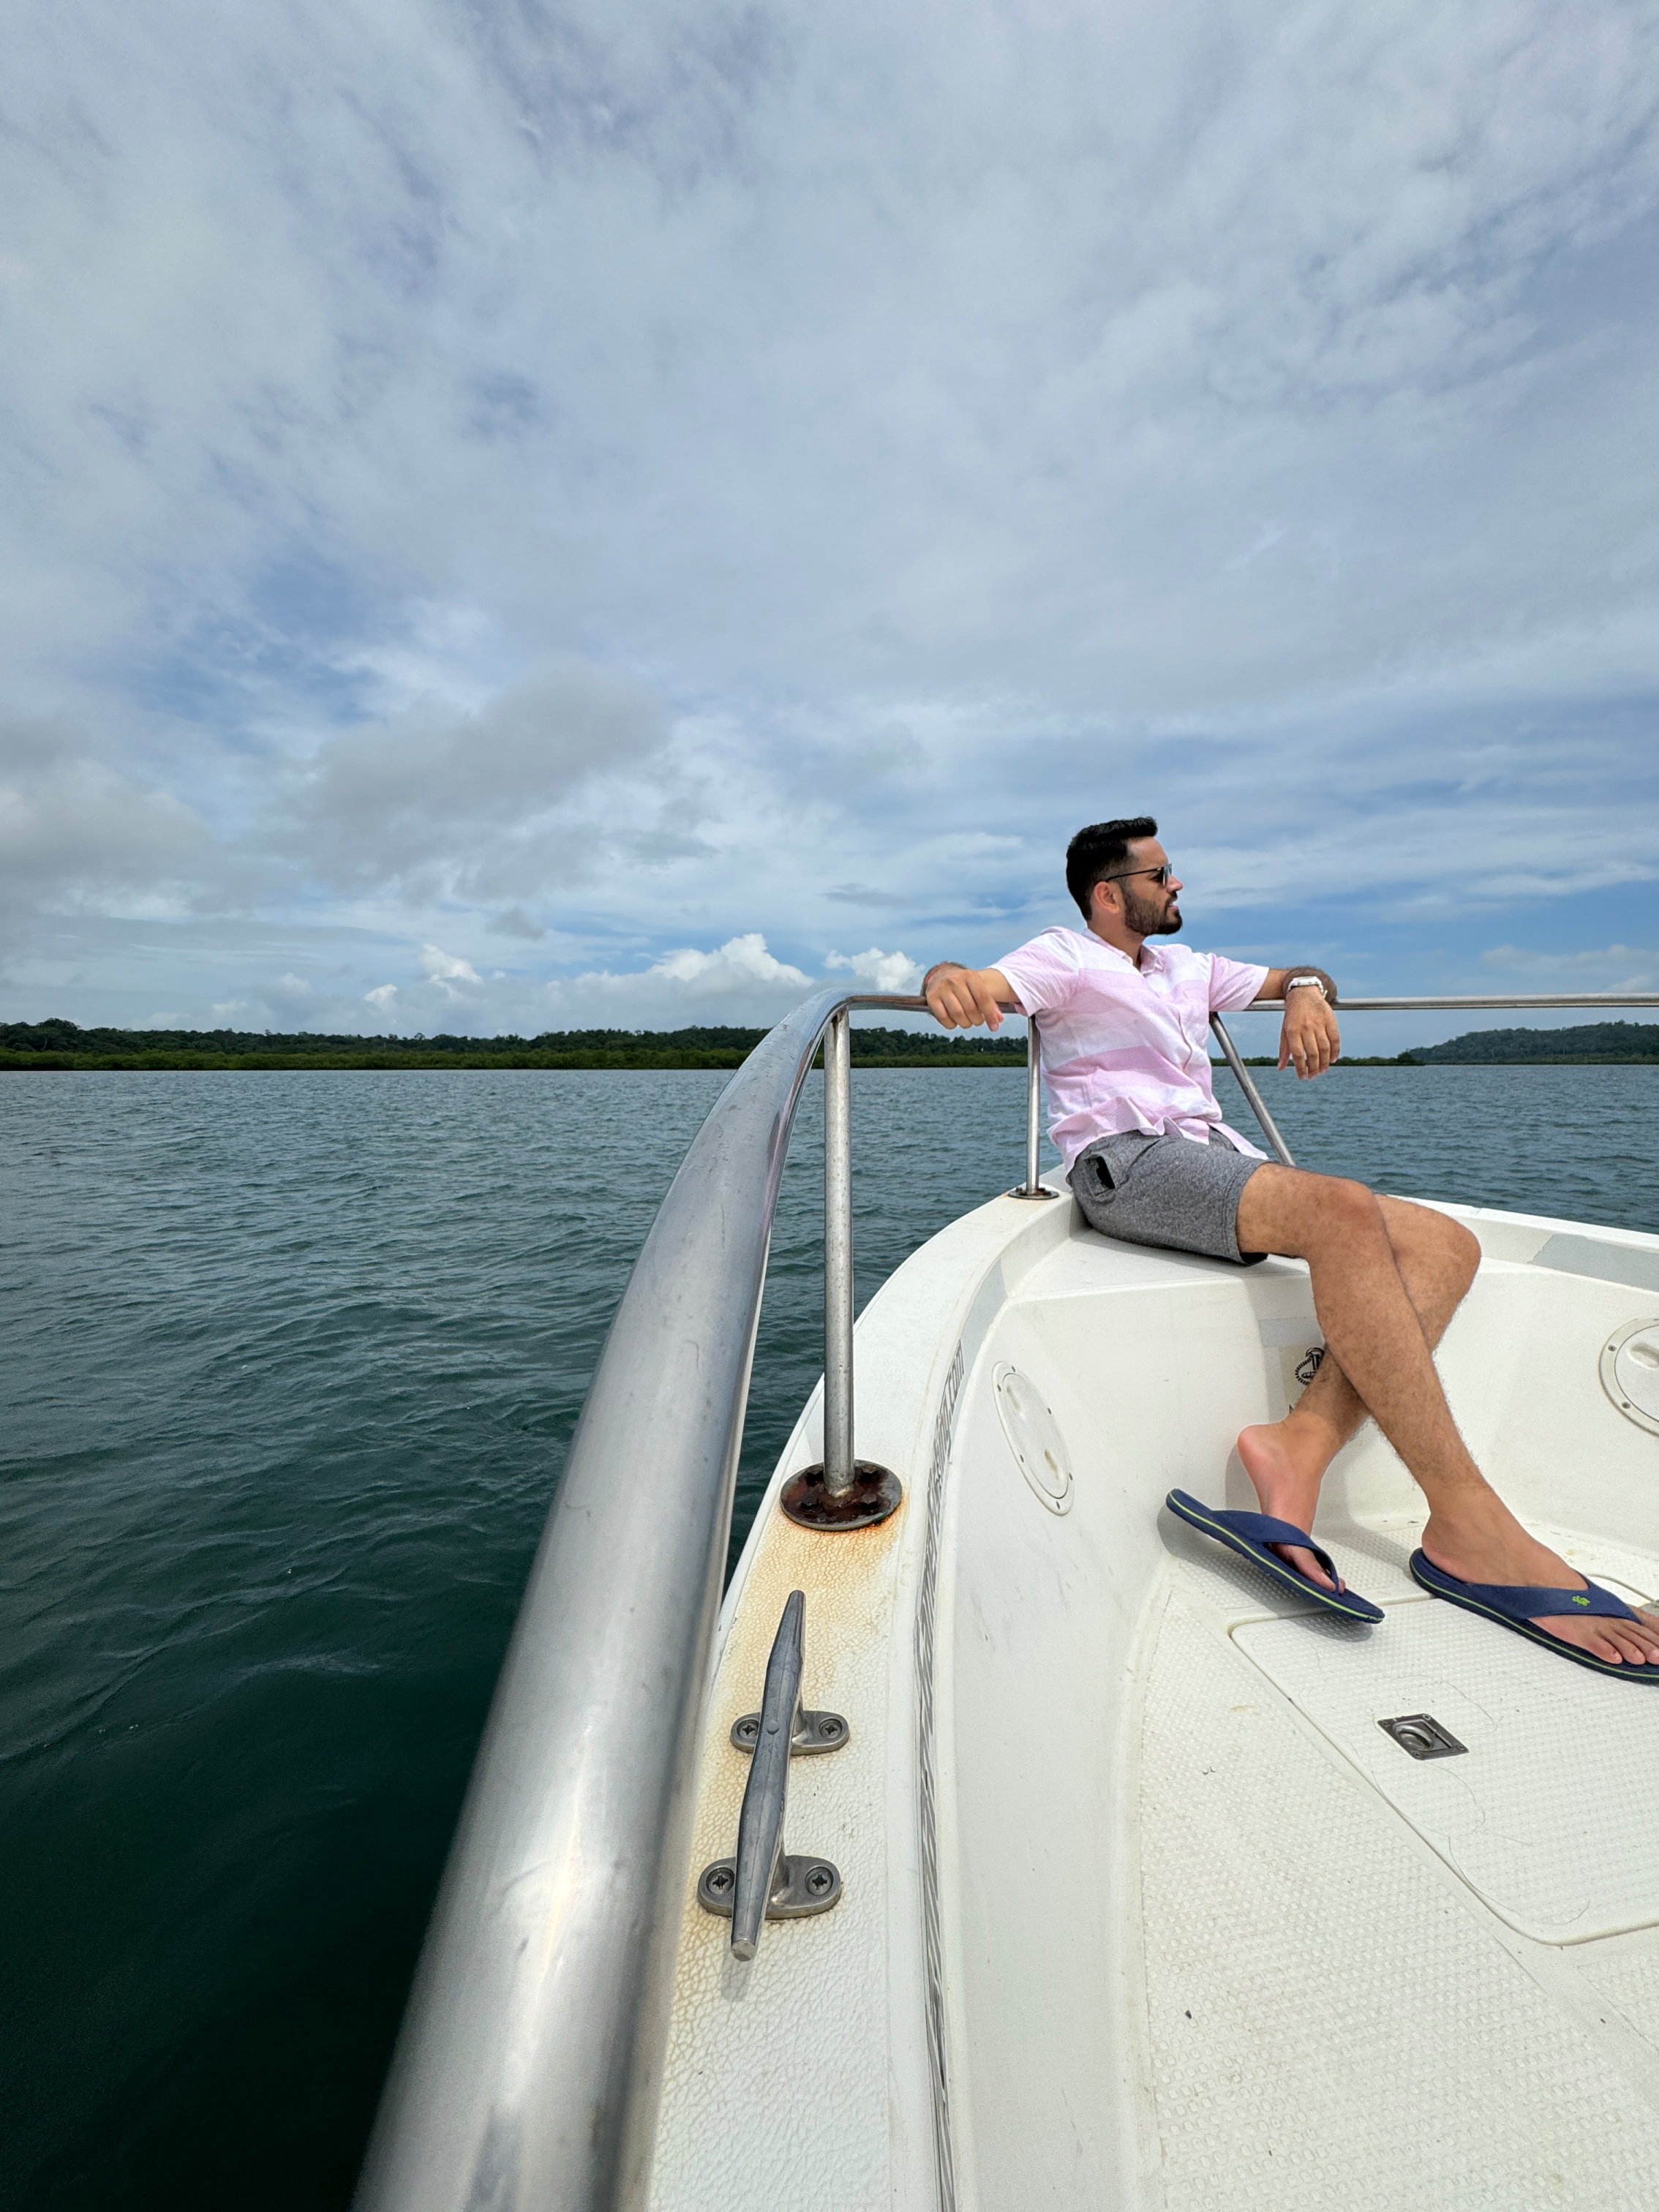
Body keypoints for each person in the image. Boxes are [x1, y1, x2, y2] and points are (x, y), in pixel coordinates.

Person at [923, 814, 1659, 1677]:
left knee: (1447, 1246)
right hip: (1124, 1163)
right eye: (1159, 876)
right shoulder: (1064, 956)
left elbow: (1300, 972)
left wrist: (1305, 991)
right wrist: (948, 979)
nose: (1177, 886)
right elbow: (982, 981)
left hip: (1208, 1160)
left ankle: (1300, 1444)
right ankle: (1470, 1522)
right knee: (1342, 1209)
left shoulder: (1185, 968)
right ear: (1108, 895)